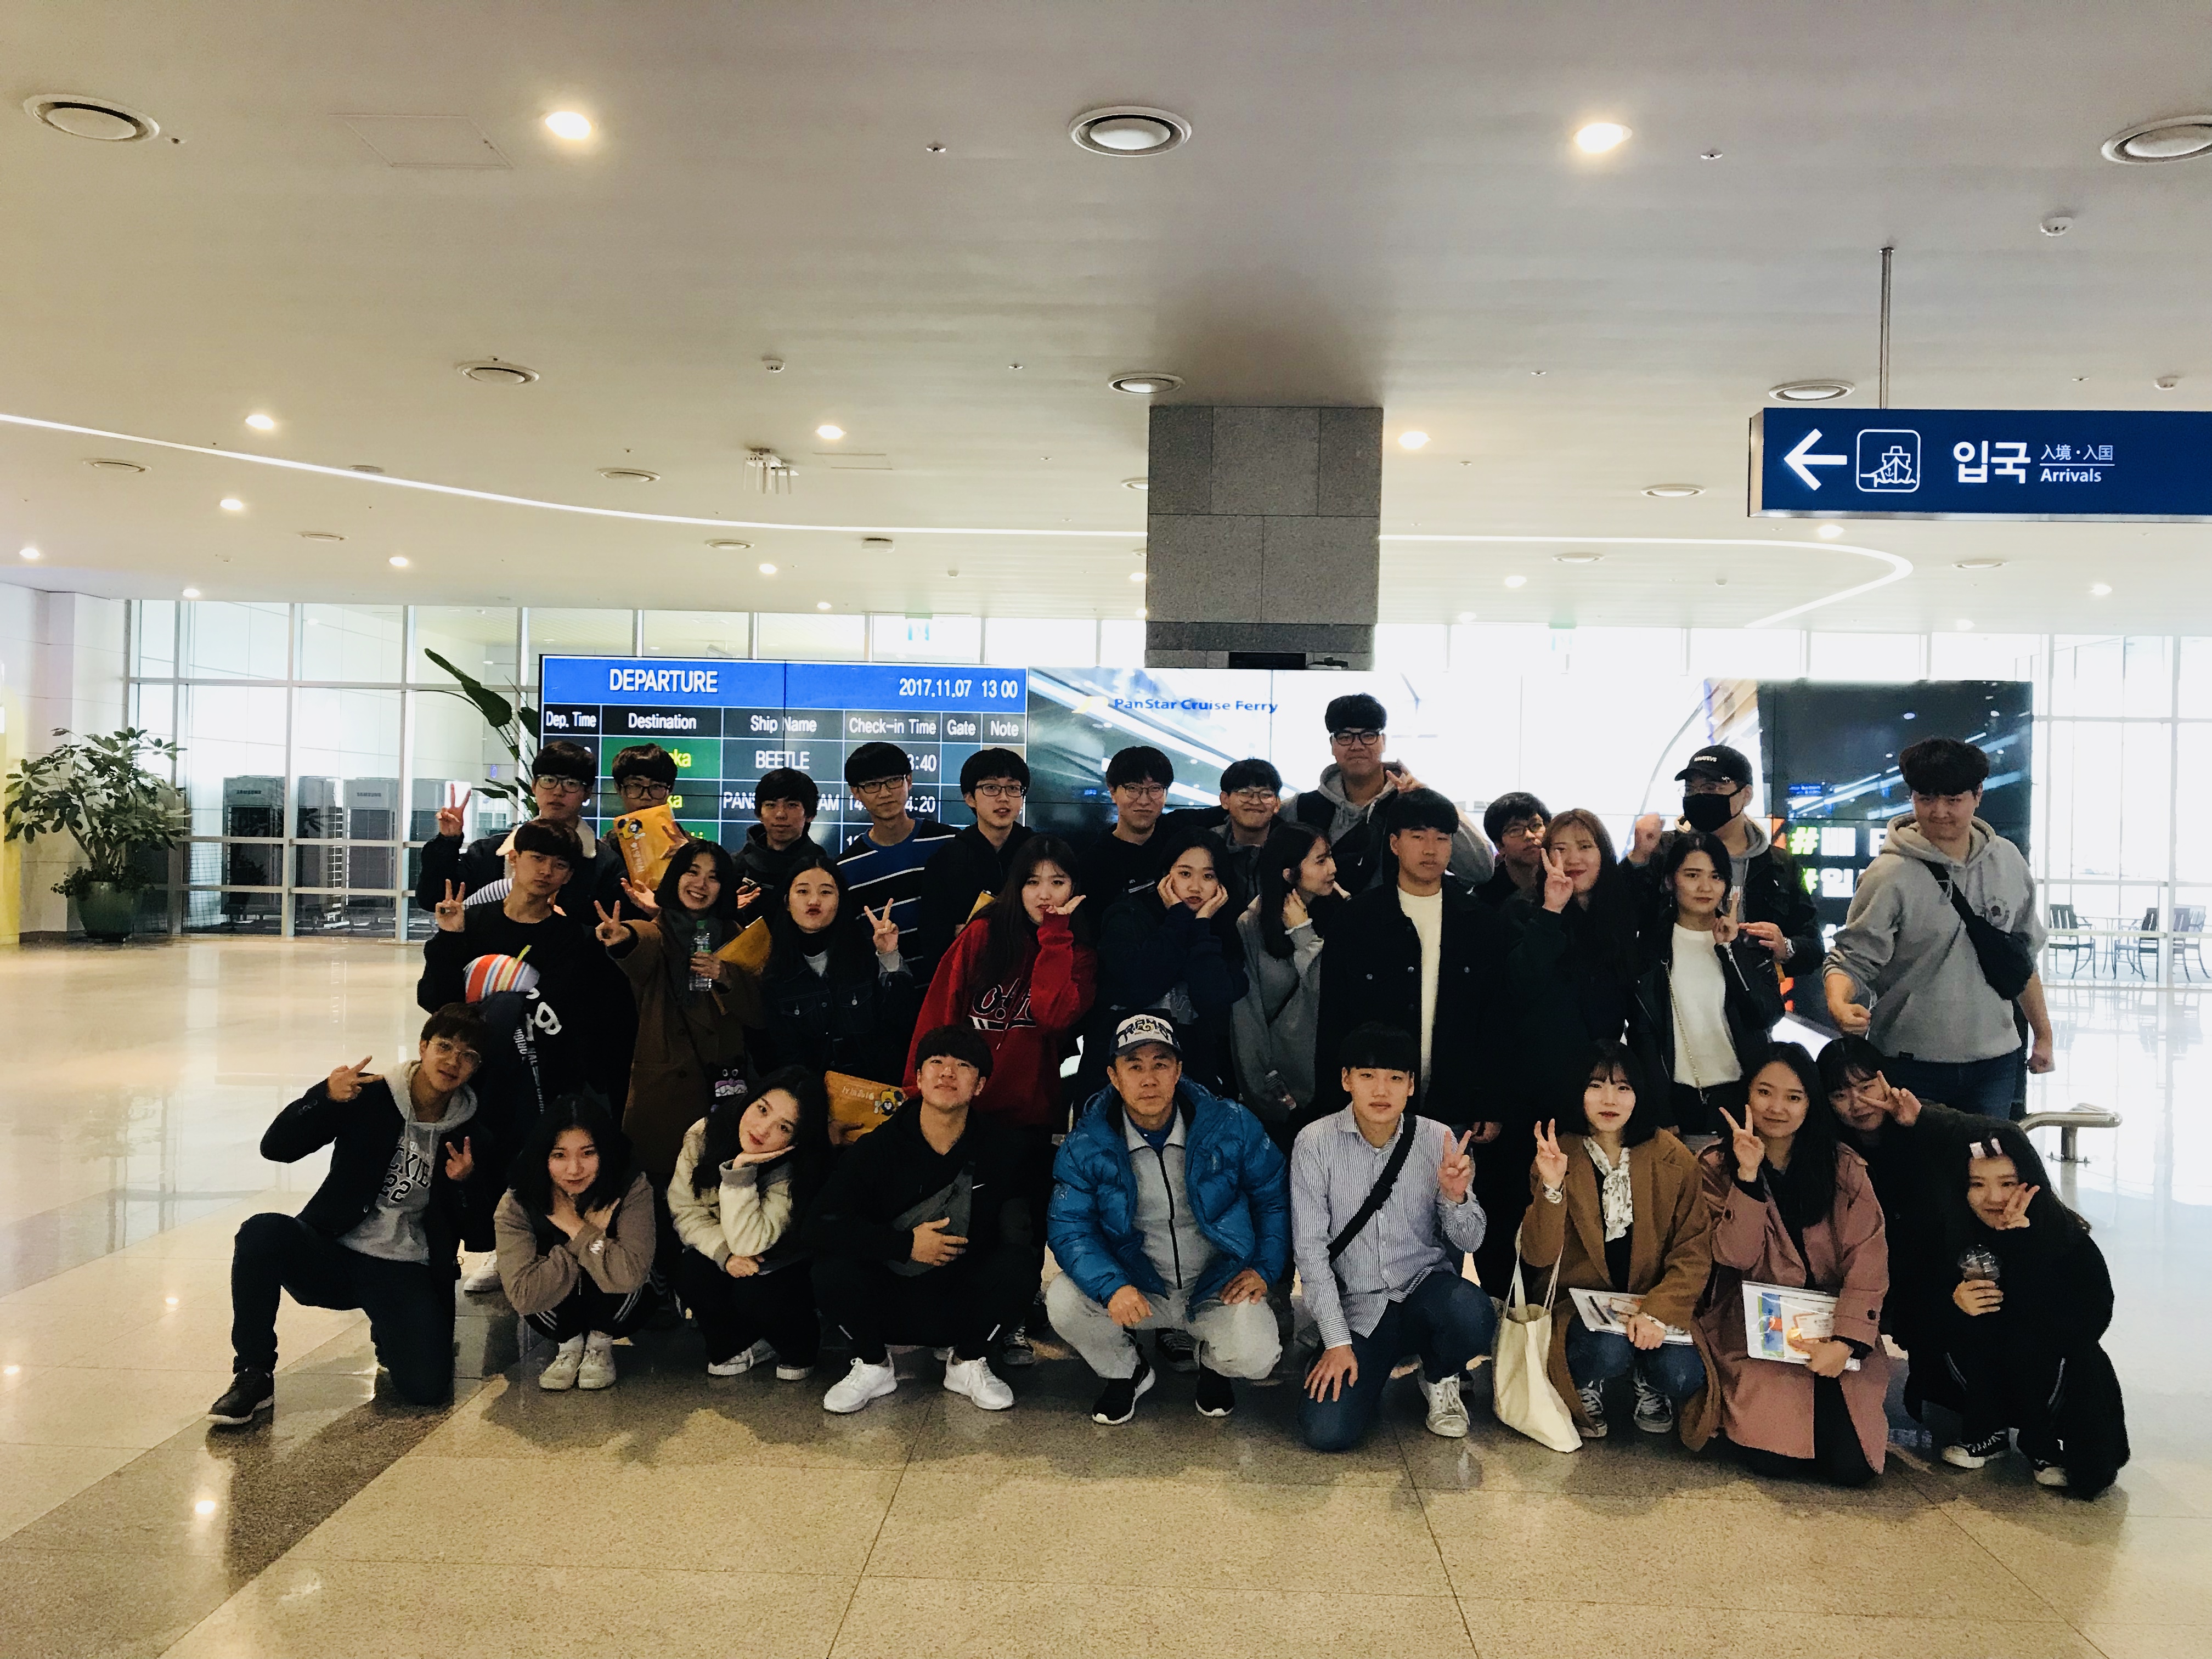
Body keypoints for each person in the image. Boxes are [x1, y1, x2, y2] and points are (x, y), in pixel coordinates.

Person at [208, 1008, 488, 1425]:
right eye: (444, 1047)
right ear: (423, 1047)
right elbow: (277, 1148)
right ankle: (253, 1373)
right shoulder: (369, 1095)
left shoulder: (473, 1132)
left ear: (476, 1068)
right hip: (334, 1249)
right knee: (261, 1232)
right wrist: (324, 1097)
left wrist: (466, 1183)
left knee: (426, 1389)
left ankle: (389, 1330)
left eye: (467, 1056)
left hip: (405, 1268)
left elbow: (480, 1234)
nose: (452, 1061)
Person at [1312, 787, 1520, 1285]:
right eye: (1418, 835)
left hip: (1454, 1098)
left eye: (1442, 837)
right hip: (1375, 1101)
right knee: (1371, 1214)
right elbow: (1335, 1018)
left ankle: (1440, 1309)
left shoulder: (1480, 923)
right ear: (1394, 843)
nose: (1431, 848)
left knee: (1446, 1213)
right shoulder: (1358, 920)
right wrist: (1332, 1101)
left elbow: (1497, 1020)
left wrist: (1491, 1099)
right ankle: (1372, 1312)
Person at [1046, 1013, 1289, 1423]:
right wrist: (1113, 1285)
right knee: (1065, 1302)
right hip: (1138, 1285)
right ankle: (1127, 1372)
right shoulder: (1086, 1143)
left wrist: (1264, 1267)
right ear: (1114, 1077)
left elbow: (1273, 1198)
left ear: (1178, 1072)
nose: (1149, 1079)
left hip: (1216, 1283)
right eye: (1134, 1066)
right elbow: (1071, 1229)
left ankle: (1212, 1364)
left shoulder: (1231, 1124)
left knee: (1259, 1356)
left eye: (1160, 1064)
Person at [907, 834, 1094, 1363]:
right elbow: (940, 1011)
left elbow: (1054, 1016)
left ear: (1076, 889)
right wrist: (920, 1090)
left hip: (1029, 1112)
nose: (1045, 894)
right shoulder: (982, 935)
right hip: (964, 1110)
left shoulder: (1079, 952)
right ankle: (955, 1316)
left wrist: (1055, 938)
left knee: (1022, 1222)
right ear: (1015, 886)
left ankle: (1009, 1317)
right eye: (1032, 881)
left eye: (1058, 882)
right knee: (966, 1219)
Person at [803, 1025, 1041, 1414]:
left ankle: (967, 1363)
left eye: (963, 1065)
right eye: (936, 1062)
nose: (947, 1073)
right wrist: (905, 1245)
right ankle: (873, 1365)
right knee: (831, 1268)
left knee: (1021, 1264)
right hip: (888, 1301)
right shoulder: (878, 1148)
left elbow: (1019, 1233)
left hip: (963, 1303)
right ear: (918, 1077)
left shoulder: (1002, 1148)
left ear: (980, 1085)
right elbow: (819, 1224)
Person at [1824, 736, 2053, 1120]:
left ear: (1978, 796)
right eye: (1926, 799)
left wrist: (2043, 1035)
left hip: (1995, 1061)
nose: (1939, 812)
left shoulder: (2007, 861)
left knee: (1986, 1157)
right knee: (1920, 1159)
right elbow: (1851, 958)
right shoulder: (1889, 874)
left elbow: (2021, 960)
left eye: (1953, 799)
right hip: (1910, 1063)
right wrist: (1838, 1003)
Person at [1293, 1022, 1496, 1450]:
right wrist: (1337, 1342)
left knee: (1472, 1314)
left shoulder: (1439, 1138)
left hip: (1424, 1293)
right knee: (1327, 1432)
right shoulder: (1315, 1142)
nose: (1381, 1090)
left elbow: (1472, 1241)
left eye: (1395, 1078)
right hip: (1360, 1308)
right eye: (1367, 1075)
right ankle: (1360, 1359)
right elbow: (1310, 1253)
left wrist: (1455, 1197)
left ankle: (1439, 1373)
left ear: (1411, 1086)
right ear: (1346, 1079)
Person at [1694, 1044, 1889, 1486]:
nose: (1777, 1108)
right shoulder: (1715, 1165)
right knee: (1776, 1461)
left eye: (1794, 1097)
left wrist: (1848, 1341)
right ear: (1746, 1094)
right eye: (1764, 1092)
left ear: (1810, 1103)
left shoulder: (1843, 1167)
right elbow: (1734, 1256)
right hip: (1755, 1324)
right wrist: (1747, 1178)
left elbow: (1869, 1259)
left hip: (1833, 1319)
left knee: (1853, 1468)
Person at [1521, 1043, 1715, 1440]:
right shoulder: (1560, 1151)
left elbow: (1693, 1250)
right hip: (1578, 1304)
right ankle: (1587, 1379)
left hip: (1652, 1301)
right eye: (1596, 1086)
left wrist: (1658, 1313)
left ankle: (1648, 1378)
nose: (1609, 1100)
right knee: (1606, 1352)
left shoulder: (1674, 1157)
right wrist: (1552, 1187)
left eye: (1623, 1088)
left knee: (1681, 1373)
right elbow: (1538, 1254)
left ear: (1640, 1093)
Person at [1924, 1122, 2129, 1497]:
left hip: (2047, 1374)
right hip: (1975, 1375)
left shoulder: (2066, 1238)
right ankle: (1986, 1431)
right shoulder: (1949, 1234)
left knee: (2052, 1345)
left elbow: (2089, 1321)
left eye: (2008, 1183)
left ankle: (2044, 1440)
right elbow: (1916, 1316)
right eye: (1977, 1184)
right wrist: (1953, 1305)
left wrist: (2024, 1250)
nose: (1994, 1197)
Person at [417, 818, 631, 1107]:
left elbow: (575, 1024)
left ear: (569, 876)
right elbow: (434, 999)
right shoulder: (471, 922)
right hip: (461, 1072)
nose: (546, 871)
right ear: (514, 858)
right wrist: (449, 937)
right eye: (537, 858)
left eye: (560, 865)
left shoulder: (576, 939)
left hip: (537, 1084)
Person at [1817, 1035, 1992, 1376]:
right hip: (1880, 1271)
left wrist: (1922, 1121)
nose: (1857, 1104)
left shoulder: (1919, 1118)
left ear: (1886, 1080)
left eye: (1867, 1087)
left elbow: (1996, 1136)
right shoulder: (1829, 1149)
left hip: (1941, 1258)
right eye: (1840, 1095)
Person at [594, 837, 760, 1187]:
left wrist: (726, 976)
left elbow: (758, 1011)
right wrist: (621, 938)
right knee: (659, 1184)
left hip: (723, 1081)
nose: (701, 884)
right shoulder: (658, 929)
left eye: (713, 877)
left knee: (716, 1183)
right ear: (676, 877)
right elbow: (642, 944)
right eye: (692, 872)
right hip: (665, 1085)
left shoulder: (736, 935)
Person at [667, 1065, 832, 1380]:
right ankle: (744, 1344)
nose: (763, 1129)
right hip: (729, 1251)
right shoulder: (705, 1133)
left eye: (783, 1127)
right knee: (691, 1271)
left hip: (781, 1263)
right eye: (762, 1109)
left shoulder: (794, 1167)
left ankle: (801, 1345)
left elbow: (750, 1242)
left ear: (797, 1137)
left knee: (756, 1291)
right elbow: (685, 1209)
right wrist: (725, 1254)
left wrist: (740, 1173)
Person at [494, 1094, 658, 1391]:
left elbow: (631, 1274)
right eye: (559, 1155)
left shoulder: (629, 1184)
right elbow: (523, 1295)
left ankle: (600, 1343)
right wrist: (583, 1235)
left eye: (587, 1153)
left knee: (626, 1268)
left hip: (619, 1303)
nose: (574, 1169)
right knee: (545, 1278)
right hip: (554, 1309)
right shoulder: (520, 1198)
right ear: (543, 1156)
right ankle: (568, 1344)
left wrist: (577, 1229)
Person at [1625, 831, 1784, 1138]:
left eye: (1716, 876)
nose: (1705, 887)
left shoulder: (1748, 943)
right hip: (1676, 1098)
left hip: (1743, 1096)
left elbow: (1766, 1014)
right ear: (1670, 881)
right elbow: (1644, 1035)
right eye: (1692, 875)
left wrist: (1729, 950)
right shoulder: (1650, 948)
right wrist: (1661, 1110)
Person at [1626, 744, 1820, 976]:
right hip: (1671, 989)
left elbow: (1813, 947)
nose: (1699, 796)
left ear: (1746, 795)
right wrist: (1638, 860)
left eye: (1711, 787)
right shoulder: (1665, 850)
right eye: (1690, 789)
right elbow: (1621, 920)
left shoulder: (1778, 864)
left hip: (1748, 992)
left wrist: (1785, 947)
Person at [1088, 829, 1249, 1098]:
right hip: (1121, 1076)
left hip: (1197, 1079)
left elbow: (1212, 999)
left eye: (1208, 876)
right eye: (1185, 874)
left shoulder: (1226, 927)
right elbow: (1139, 986)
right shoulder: (1128, 915)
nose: (1196, 887)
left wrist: (1201, 926)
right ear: (1165, 875)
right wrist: (1178, 921)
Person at [740, 847, 918, 1086]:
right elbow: (779, 1058)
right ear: (787, 902)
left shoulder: (866, 955)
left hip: (874, 1094)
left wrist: (888, 955)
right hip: (809, 1098)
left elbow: (902, 1023)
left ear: (840, 901)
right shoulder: (775, 973)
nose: (814, 901)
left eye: (826, 892)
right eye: (803, 891)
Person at [1289, 692, 1492, 893]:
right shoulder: (1302, 809)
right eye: (1345, 737)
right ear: (1332, 745)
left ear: (1383, 741)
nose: (1357, 746)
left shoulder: (1414, 801)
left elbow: (1480, 871)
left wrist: (1430, 803)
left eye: (1368, 736)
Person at [1512, 808, 1644, 1110]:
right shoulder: (1524, 909)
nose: (1573, 859)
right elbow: (1521, 983)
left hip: (1602, 1080)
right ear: (1546, 856)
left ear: (1603, 854)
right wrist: (1552, 910)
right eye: (1560, 849)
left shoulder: (1619, 912)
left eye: (1585, 847)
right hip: (1538, 1079)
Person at [413, 737, 624, 916]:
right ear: (534, 786)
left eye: (571, 784)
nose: (558, 792)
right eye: (548, 780)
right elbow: (433, 899)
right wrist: (448, 841)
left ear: (587, 793)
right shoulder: (492, 853)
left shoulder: (604, 864)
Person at [1229, 825, 1346, 1142]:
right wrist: (1263, 1088)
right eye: (1321, 861)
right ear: (1289, 873)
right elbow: (1247, 1018)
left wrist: (1303, 934)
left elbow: (1335, 995)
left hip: (1341, 1081)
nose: (1333, 868)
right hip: (1284, 1090)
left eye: (1330, 857)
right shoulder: (1252, 925)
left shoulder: (1346, 911)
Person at [836, 739, 958, 981]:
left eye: (893, 781)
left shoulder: (950, 843)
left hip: (952, 989)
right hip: (889, 995)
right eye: (872, 785)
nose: (885, 793)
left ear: (909, 781)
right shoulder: (846, 869)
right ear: (856, 793)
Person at [917, 748, 1036, 966]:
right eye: (991, 788)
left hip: (1030, 973)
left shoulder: (1039, 852)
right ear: (970, 798)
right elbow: (934, 938)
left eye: (1013, 788)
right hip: (968, 973)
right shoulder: (946, 859)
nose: (1003, 798)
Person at [1077, 745, 1181, 906]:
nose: (1144, 801)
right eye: (1132, 788)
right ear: (1112, 792)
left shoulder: (1180, 839)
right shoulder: (1093, 864)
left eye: (1155, 789)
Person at [1207, 757, 1285, 911]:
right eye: (1245, 793)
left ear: (1277, 804)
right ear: (1225, 800)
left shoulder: (1295, 847)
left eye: (1265, 795)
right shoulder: (1208, 847)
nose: (1255, 802)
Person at [738, 766, 824, 899]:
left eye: (792, 805)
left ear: (810, 814)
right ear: (759, 813)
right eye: (771, 805)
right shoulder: (733, 868)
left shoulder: (825, 871)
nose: (780, 814)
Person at [1474, 792, 1548, 909]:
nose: (1529, 836)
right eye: (1515, 830)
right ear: (1500, 847)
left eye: (1536, 825)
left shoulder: (1568, 878)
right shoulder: (1486, 897)